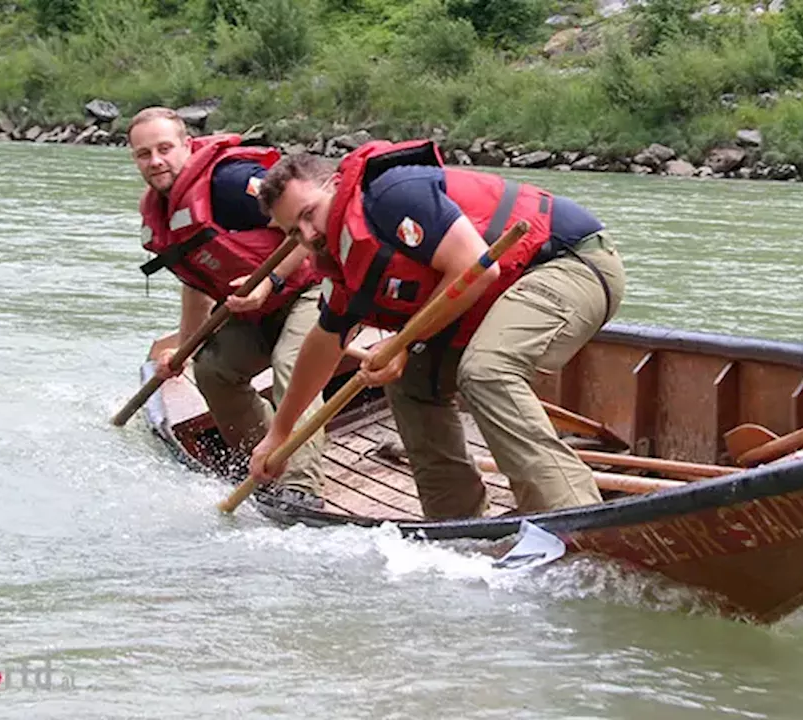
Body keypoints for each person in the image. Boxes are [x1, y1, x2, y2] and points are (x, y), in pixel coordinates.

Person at [248, 139, 626, 519]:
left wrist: (400, 343)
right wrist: (280, 433)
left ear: (333, 185)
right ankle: (459, 527)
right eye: (294, 232)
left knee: (485, 370)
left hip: (570, 263)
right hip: (490, 297)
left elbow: (474, 267)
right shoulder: (339, 261)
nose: (309, 235)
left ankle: (574, 518)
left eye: (309, 214)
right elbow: (323, 344)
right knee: (410, 382)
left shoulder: (391, 195)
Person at [128, 106, 327, 510]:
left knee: (295, 363)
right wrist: (183, 348)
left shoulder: (231, 184)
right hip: (255, 308)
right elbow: (196, 283)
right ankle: (263, 463)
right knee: (214, 370)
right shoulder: (163, 212)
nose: (156, 161)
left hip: (310, 288)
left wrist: (270, 283)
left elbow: (310, 230)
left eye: (165, 148)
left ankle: (301, 486)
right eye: (144, 154)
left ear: (187, 145)